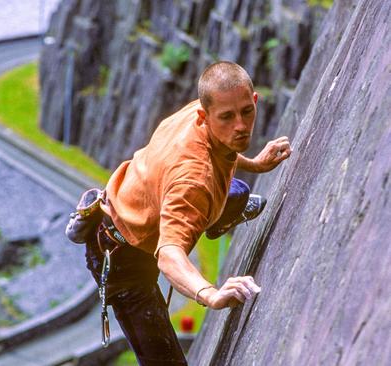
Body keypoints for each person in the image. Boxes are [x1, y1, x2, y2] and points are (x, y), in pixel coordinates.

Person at [84, 61, 292, 365]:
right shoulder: (193, 182)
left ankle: (216, 214)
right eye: (227, 117)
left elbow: (225, 146)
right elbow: (168, 253)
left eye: (247, 111)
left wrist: (256, 164)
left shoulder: (209, 105)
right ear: (203, 116)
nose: (241, 125)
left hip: (145, 203)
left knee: (238, 193)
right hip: (121, 258)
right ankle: (212, 216)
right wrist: (210, 294)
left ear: (254, 99)